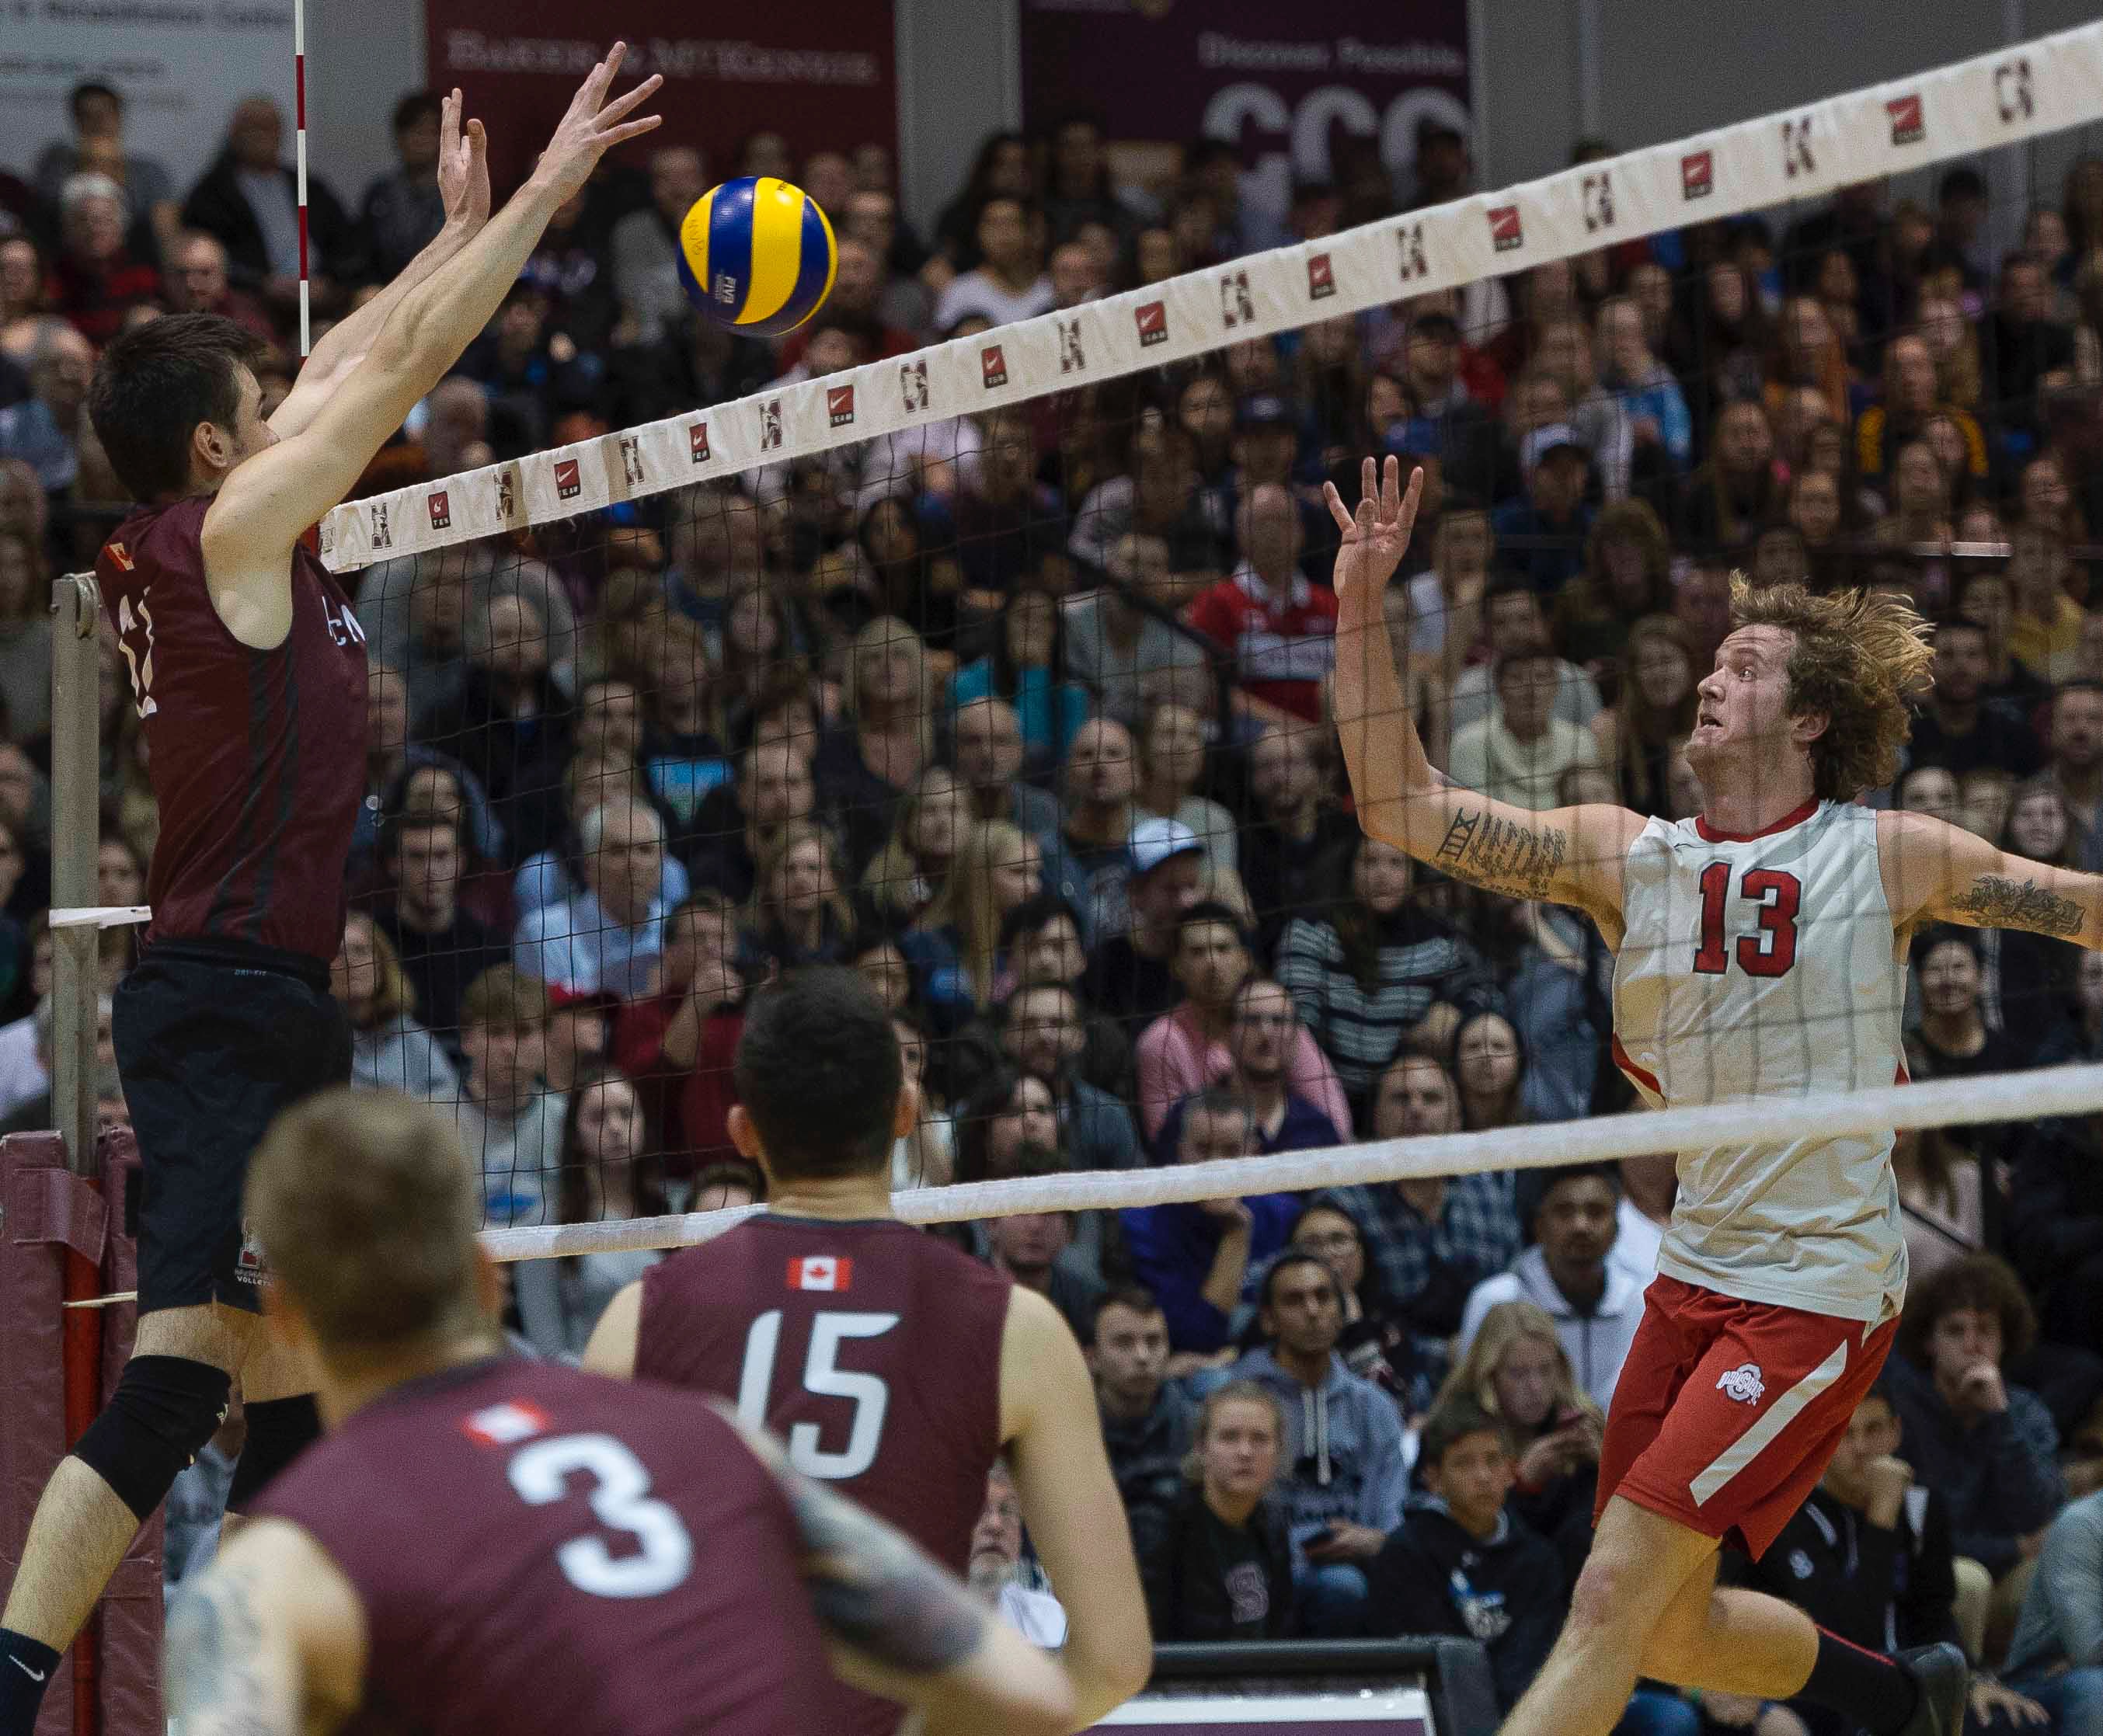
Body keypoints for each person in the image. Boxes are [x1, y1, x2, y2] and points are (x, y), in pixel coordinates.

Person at [0, 59, 667, 1724]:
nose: (295, 400)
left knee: (296, 1378)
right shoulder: (236, 539)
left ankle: (334, 1686)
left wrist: (450, 228)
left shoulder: (214, 523)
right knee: (177, 1381)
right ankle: (9, 1678)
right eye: (260, 397)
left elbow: (360, 349)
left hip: (271, 1001)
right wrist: (543, 199)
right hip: (222, 997)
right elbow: (410, 371)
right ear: (221, 446)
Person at [1330, 451, 2103, 1736]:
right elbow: (1398, 808)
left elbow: (2079, 908)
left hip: (1817, 1289)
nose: (1706, 676)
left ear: (1808, 720)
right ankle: (1906, 1706)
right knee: (1663, 1624)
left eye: (1743, 668)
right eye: (1713, 661)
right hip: (1696, 1271)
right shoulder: (1625, 857)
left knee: (1604, 1612)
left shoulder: (1887, 855)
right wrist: (1362, 602)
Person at [165, 1087, 1078, 1736]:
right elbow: (1030, 1698)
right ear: (488, 1278)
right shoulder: (716, 1440)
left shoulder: (274, 1573)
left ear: (283, 1317)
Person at [581, 968, 1150, 1731]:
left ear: (744, 1131)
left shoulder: (636, 1321)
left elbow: (583, 1637)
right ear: (907, 1113)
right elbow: (1113, 1661)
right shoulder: (1020, 1328)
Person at [1229, 1252, 1408, 1637]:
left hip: (1352, 1570)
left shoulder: (1374, 1406)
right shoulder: (1241, 1400)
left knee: (1350, 1586)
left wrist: (1372, 1540)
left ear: (1341, 1313)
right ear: (1267, 1319)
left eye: (1323, 1297)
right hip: (1261, 1566)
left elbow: (1390, 1516)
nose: (1313, 1311)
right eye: (1294, 1300)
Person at [1365, 1397, 1568, 1713]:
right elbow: (1429, 1665)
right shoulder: (1405, 1554)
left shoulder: (1539, 1559)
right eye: (1464, 1463)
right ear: (1433, 1478)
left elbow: (1534, 1659)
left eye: (1493, 1461)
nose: (1483, 1476)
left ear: (1511, 1472)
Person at [1119, 1089, 1301, 1354]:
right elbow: (1195, 1339)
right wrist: (1236, 1232)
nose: (1215, 1165)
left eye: (1230, 1151)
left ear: (1253, 1153)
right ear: (1181, 1152)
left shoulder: (1286, 1214)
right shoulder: (1142, 1226)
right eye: (1203, 1150)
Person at [1457, 1164, 1646, 1412]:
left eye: (1596, 1212)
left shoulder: (1644, 1301)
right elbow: (1471, 1402)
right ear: (1539, 1226)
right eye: (1564, 1212)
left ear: (1617, 1228)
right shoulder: (1498, 1299)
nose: (1581, 1225)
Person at [1140, 1382, 1297, 1642]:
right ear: (1202, 1448)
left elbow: (1282, 1631)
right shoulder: (1160, 1525)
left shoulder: (1273, 1525)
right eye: (1229, 1437)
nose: (1245, 1452)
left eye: (1260, 1439)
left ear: (1279, 1451)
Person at [1089, 1287, 1200, 1561]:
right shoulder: (1065, 1429)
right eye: (1124, 1343)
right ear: (1091, 1358)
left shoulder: (1197, 1429)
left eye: (1154, 1341)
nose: (1142, 1356)